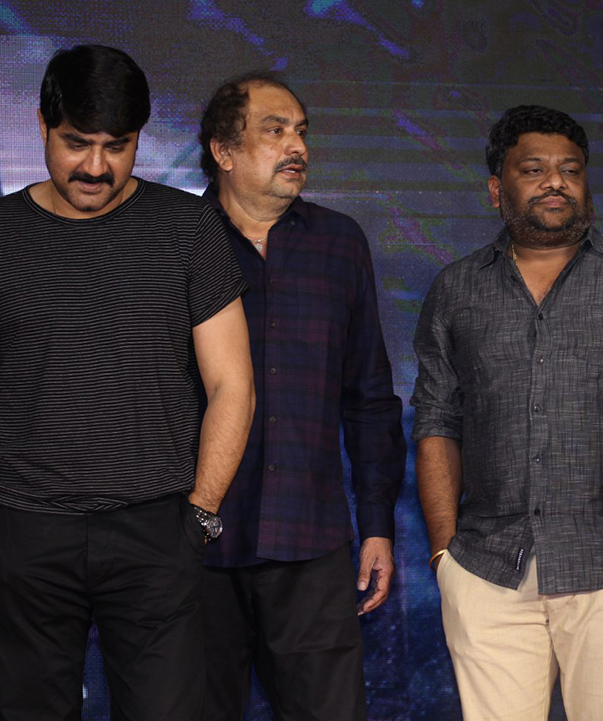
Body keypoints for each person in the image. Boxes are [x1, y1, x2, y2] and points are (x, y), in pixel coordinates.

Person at [0, 44, 254, 720]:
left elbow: (233, 386)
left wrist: (198, 515)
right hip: (25, 533)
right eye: (77, 143)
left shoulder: (190, 228)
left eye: (117, 146)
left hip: (156, 533)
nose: (96, 167)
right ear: (42, 124)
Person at [412, 105, 603, 721]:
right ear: (496, 189)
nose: (556, 181)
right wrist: (445, 556)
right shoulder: (456, 290)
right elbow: (436, 421)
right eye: (534, 169)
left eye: (571, 169)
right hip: (486, 572)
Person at [197, 72, 406, 721]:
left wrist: (376, 524)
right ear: (223, 151)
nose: (298, 147)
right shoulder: (177, 241)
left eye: (302, 132)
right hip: (195, 544)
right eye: (275, 130)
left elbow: (369, 397)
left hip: (311, 539)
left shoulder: (339, 243)